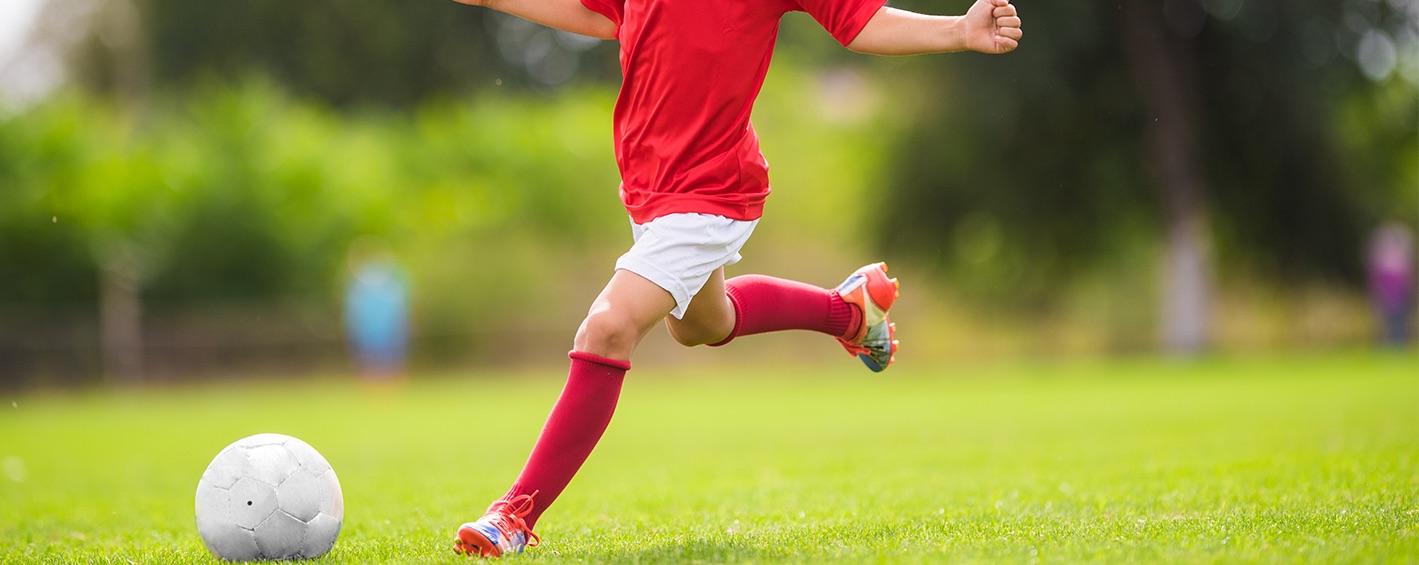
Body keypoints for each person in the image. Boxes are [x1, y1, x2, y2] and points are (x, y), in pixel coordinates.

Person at [447, 0, 1023, 557]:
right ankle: (850, 313)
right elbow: (603, 13)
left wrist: (958, 31)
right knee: (702, 325)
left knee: (607, 328)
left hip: (710, 192)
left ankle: (514, 515)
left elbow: (859, 21)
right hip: (649, 190)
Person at [1368, 222, 1415, 347]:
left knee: (1399, 319)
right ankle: (1389, 345)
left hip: (1399, 291)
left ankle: (1398, 344)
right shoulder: (1384, 261)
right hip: (1388, 291)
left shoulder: (1400, 258)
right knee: (1387, 319)